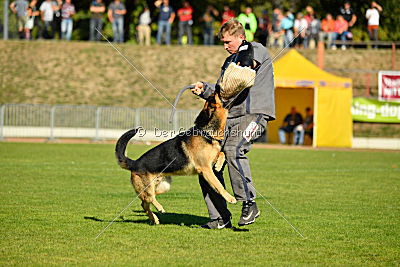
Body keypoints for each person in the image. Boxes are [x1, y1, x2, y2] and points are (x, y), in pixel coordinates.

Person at [191, 19, 275, 229]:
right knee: (207, 166)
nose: (225, 46)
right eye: (223, 42)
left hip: (254, 114)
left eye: (228, 41)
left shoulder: (257, 50)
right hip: (230, 118)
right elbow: (223, 93)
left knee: (233, 149)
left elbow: (244, 73)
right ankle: (220, 217)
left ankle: (249, 203)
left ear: (241, 37)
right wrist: (206, 90)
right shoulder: (230, 60)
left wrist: (237, 58)